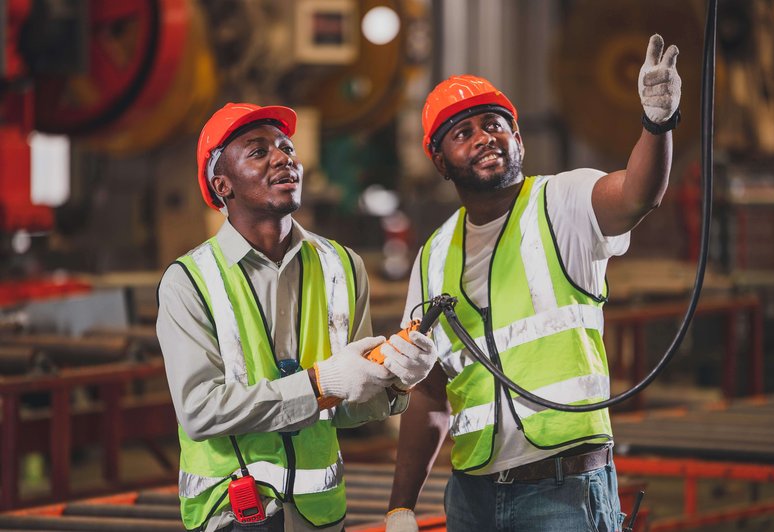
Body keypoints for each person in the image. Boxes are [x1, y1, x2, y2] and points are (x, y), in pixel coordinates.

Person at [385, 34, 681, 531]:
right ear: (440, 161)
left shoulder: (562, 203)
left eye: (494, 125)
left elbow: (636, 194)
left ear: (517, 139)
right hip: (471, 496)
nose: (483, 137)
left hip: (565, 490)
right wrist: (401, 505)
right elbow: (431, 392)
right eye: (463, 132)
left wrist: (656, 124)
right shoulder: (433, 255)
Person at [156, 102, 436, 532]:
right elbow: (200, 412)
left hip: (320, 513)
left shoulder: (342, 265)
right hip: (232, 514)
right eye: (258, 151)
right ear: (222, 184)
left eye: (286, 147)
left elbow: (347, 407)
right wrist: (317, 384)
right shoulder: (189, 282)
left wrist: (395, 378)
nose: (284, 157)